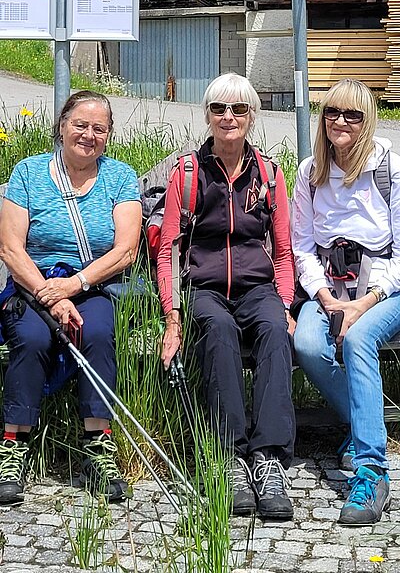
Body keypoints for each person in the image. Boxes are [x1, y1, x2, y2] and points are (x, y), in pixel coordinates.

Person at [157, 73, 296, 520]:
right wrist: (172, 319)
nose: (228, 117)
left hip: (258, 289)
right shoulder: (188, 173)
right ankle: (229, 459)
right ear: (207, 115)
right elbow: (169, 248)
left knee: (275, 330)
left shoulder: (271, 175)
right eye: (219, 108)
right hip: (206, 288)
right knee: (216, 331)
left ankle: (269, 458)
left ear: (252, 116)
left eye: (238, 109)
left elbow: (284, 251)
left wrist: (287, 304)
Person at [0, 90, 142, 506]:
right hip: (34, 284)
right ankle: (13, 445)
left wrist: (74, 286)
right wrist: (52, 294)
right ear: (62, 126)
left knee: (97, 332)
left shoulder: (119, 177)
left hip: (96, 283)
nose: (88, 135)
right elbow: (11, 248)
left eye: (99, 129)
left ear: (109, 136)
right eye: (80, 125)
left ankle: (97, 447)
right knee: (31, 336)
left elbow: (124, 251)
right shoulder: (28, 173)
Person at [292, 78, 400, 526]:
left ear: (367, 120)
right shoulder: (309, 171)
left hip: (385, 287)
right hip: (328, 285)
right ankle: (362, 427)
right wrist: (324, 296)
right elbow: (300, 247)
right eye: (332, 112)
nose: (340, 121)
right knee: (307, 345)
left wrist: (365, 301)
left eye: (352, 115)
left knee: (357, 341)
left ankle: (372, 471)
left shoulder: (387, 165)